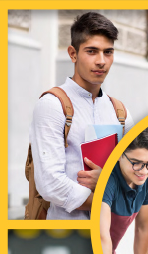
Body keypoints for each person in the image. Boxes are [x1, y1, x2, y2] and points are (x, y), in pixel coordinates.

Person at [30, 12, 134, 220]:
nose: (101, 61)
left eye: (108, 52)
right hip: (68, 229)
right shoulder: (52, 105)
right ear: (73, 53)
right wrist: (109, 194)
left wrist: (108, 180)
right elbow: (50, 183)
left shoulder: (120, 112)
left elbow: (138, 175)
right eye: (92, 51)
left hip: (113, 234)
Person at [101, 127, 148, 254]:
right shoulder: (108, 179)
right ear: (119, 155)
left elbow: (143, 228)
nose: (143, 171)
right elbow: (102, 237)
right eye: (136, 162)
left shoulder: (147, 179)